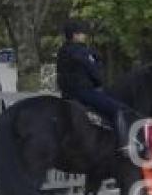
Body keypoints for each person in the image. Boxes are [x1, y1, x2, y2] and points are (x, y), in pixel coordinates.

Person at [56, 19, 133, 154]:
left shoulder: (62, 51)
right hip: (84, 91)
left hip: (67, 93)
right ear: (75, 35)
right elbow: (94, 72)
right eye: (82, 33)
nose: (84, 36)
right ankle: (124, 145)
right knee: (118, 109)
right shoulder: (82, 51)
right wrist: (99, 80)